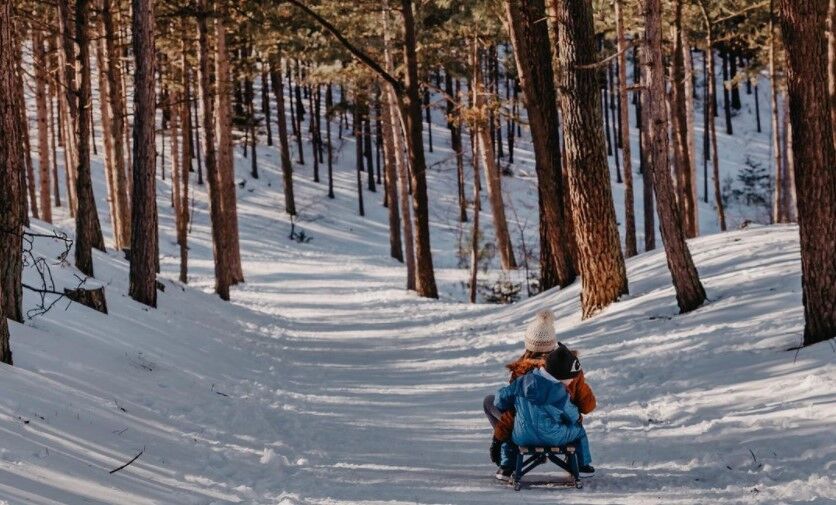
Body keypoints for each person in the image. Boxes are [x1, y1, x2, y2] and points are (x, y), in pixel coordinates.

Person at [483, 310, 596, 480]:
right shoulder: (569, 369)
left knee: (495, 404)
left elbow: (506, 407)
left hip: (522, 434)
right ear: (553, 343)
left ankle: (507, 465)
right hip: (559, 431)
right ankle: (582, 465)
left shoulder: (522, 373)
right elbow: (587, 407)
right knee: (576, 427)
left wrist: (498, 436)